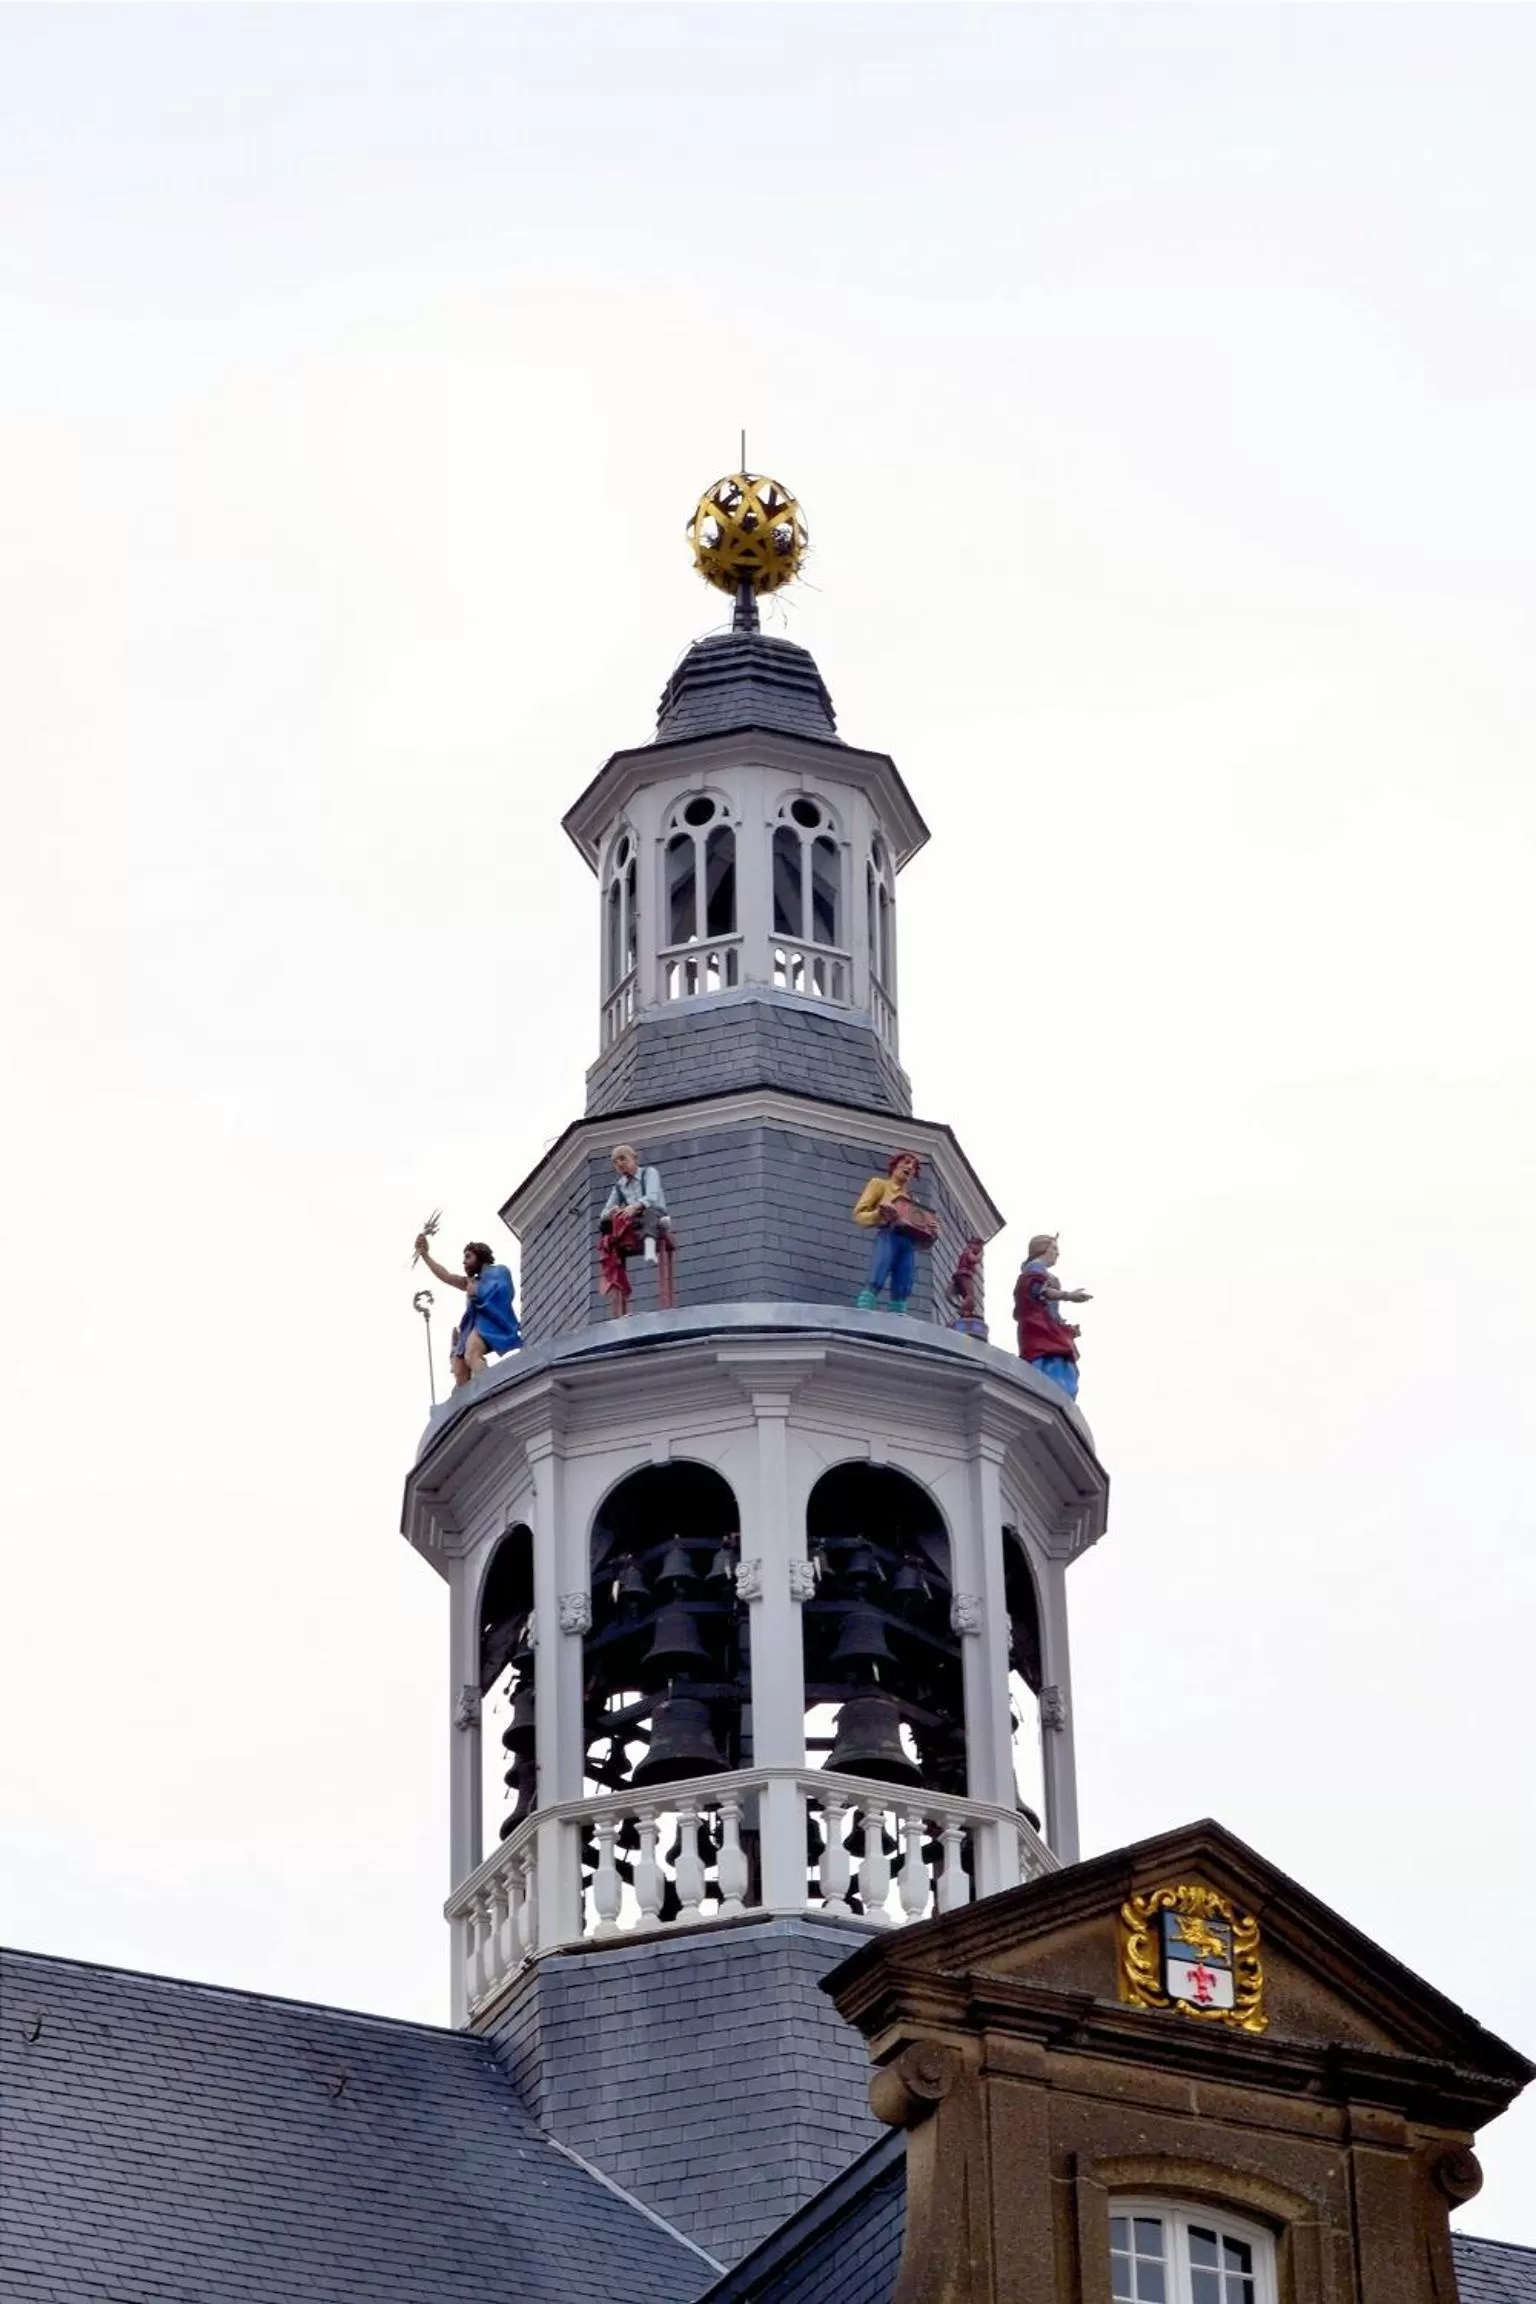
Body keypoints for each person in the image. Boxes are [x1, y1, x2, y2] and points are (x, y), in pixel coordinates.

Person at [413, 1235, 521, 1387]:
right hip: (472, 1326)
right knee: (459, 1369)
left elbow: (504, 1291)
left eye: (468, 1256)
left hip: (489, 1323)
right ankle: (469, 1398)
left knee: (471, 1354)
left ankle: (490, 1388)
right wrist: (425, 1255)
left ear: (480, 1255)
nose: (464, 1262)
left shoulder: (499, 1271)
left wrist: (478, 1292)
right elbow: (447, 1276)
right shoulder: (471, 1281)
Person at [1013, 1233, 1091, 1399]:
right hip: (1039, 1328)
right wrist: (1068, 1296)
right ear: (1042, 1249)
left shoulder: (1040, 1271)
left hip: (1044, 1327)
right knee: (1053, 1361)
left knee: (1057, 1360)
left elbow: (1048, 1306)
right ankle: (1052, 1397)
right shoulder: (1035, 1268)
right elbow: (1039, 1291)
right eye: (1054, 1248)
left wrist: (1065, 1326)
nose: (1057, 1253)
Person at [852, 1150, 927, 1313]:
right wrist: (879, 1214)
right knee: (879, 1270)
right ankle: (865, 1308)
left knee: (904, 1281)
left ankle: (898, 1315)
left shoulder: (913, 1200)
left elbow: (923, 1238)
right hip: (889, 1234)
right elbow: (859, 1216)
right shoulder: (879, 1184)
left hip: (908, 1242)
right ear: (895, 1164)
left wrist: (932, 1232)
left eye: (914, 1166)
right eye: (906, 1162)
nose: (910, 1167)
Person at [600, 1145, 670, 1263]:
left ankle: (650, 1247)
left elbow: (651, 1197)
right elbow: (604, 1213)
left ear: (635, 1159)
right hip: (634, 1219)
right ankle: (614, 1256)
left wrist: (635, 1206)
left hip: (653, 1212)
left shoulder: (649, 1172)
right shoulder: (619, 1186)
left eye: (623, 1158)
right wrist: (612, 1211)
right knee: (607, 1223)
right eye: (615, 1162)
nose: (620, 1164)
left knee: (650, 1214)